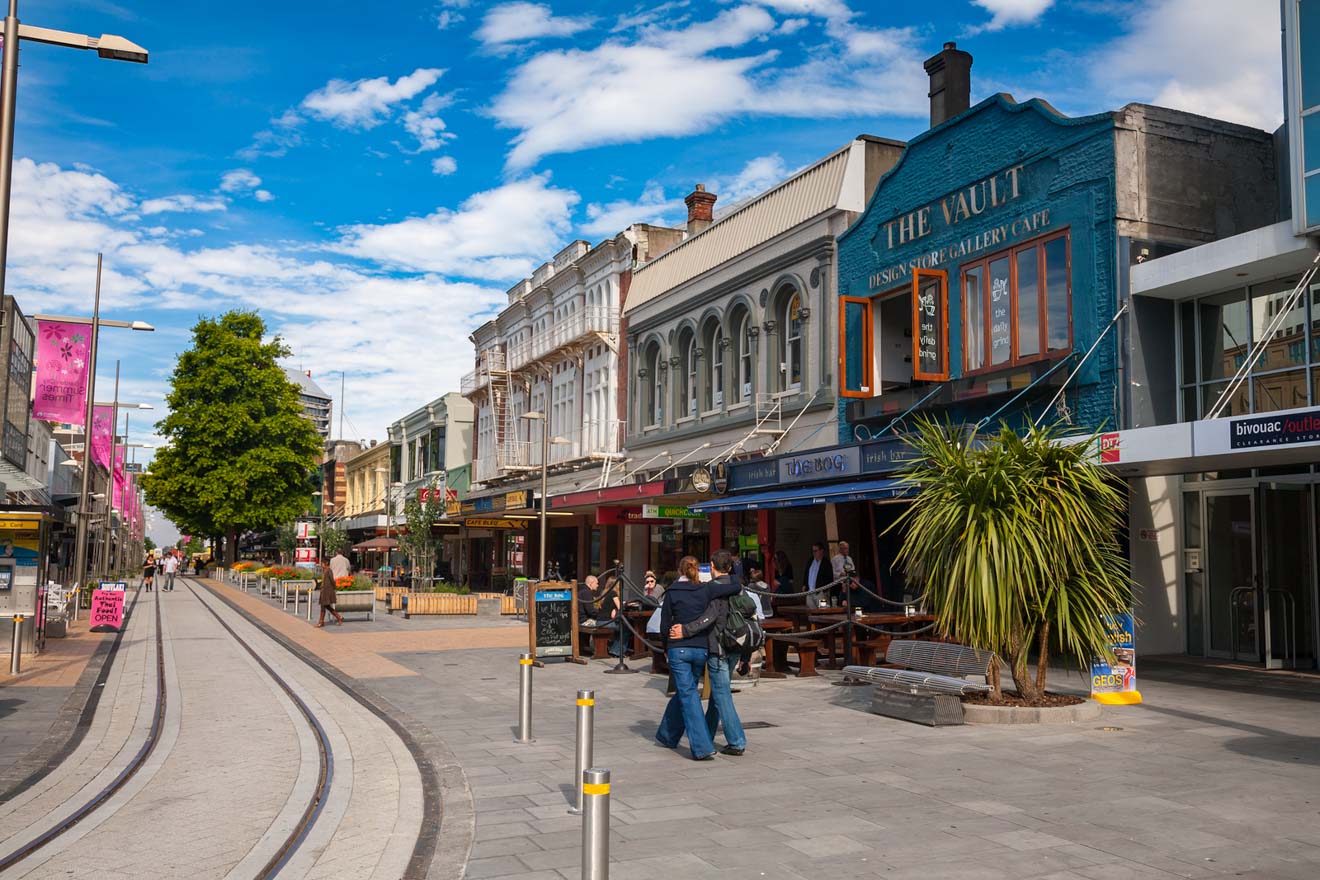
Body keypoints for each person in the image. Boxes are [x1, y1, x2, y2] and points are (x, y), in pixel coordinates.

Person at [670, 549, 748, 756]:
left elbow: (710, 617)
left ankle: (737, 741)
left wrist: (685, 630)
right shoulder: (737, 587)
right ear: (730, 567)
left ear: (712, 566)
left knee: (721, 695)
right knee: (717, 694)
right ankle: (708, 733)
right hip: (736, 644)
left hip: (718, 647)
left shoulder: (712, 588)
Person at [654, 556, 717, 761]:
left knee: (688, 694)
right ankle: (667, 735)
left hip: (679, 649)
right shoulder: (705, 590)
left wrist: (665, 647)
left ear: (680, 570)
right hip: (700, 648)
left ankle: (702, 745)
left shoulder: (672, 592)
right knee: (686, 690)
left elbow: (665, 624)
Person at [316, 557, 345, 627]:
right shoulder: (325, 570)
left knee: (324, 606)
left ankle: (321, 622)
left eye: (322, 563)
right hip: (324, 591)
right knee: (326, 606)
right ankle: (338, 617)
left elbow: (332, 581)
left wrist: (334, 588)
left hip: (327, 592)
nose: (321, 565)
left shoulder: (329, 571)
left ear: (326, 563)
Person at [802, 542, 829, 607]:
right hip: (810, 592)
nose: (814, 553)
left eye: (815, 551)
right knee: (811, 612)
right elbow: (806, 574)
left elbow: (829, 578)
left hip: (820, 593)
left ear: (821, 551)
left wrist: (824, 590)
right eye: (813, 551)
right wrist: (804, 584)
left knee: (823, 611)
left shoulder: (826, 563)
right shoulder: (810, 560)